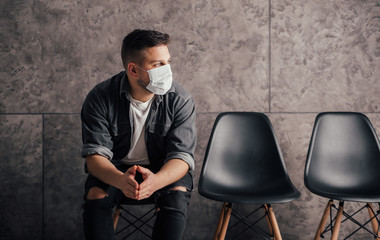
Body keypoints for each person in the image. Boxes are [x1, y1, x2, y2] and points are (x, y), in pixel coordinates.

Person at [81, 29, 197, 240]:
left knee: (177, 193)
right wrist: (120, 179)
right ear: (133, 70)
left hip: (162, 168)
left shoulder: (180, 99)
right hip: (116, 168)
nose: (167, 70)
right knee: (96, 195)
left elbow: (182, 157)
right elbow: (95, 158)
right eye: (157, 65)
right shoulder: (100, 97)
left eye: (168, 62)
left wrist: (156, 181)